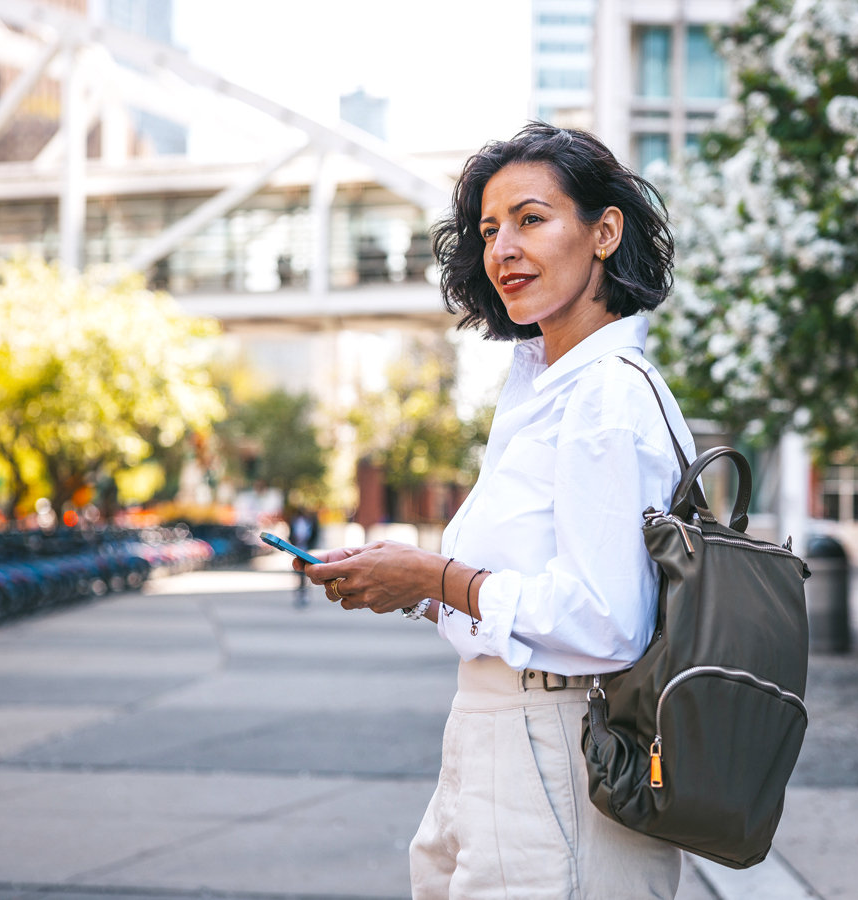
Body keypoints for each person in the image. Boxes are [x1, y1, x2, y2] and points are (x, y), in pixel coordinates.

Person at [296, 124, 694, 898]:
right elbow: (531, 586)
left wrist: (437, 574)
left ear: (605, 232)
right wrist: (417, 585)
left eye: (531, 219)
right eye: (488, 229)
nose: (503, 246)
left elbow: (607, 621)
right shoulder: (541, 388)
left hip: (555, 743)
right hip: (498, 735)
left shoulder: (604, 393)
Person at [289, 507, 319, 606]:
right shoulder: (294, 521)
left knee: (306, 572)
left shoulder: (310, 521)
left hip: (306, 549)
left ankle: (305, 594)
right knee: (298, 572)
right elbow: (291, 533)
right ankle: (300, 593)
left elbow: (314, 534)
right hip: (297, 548)